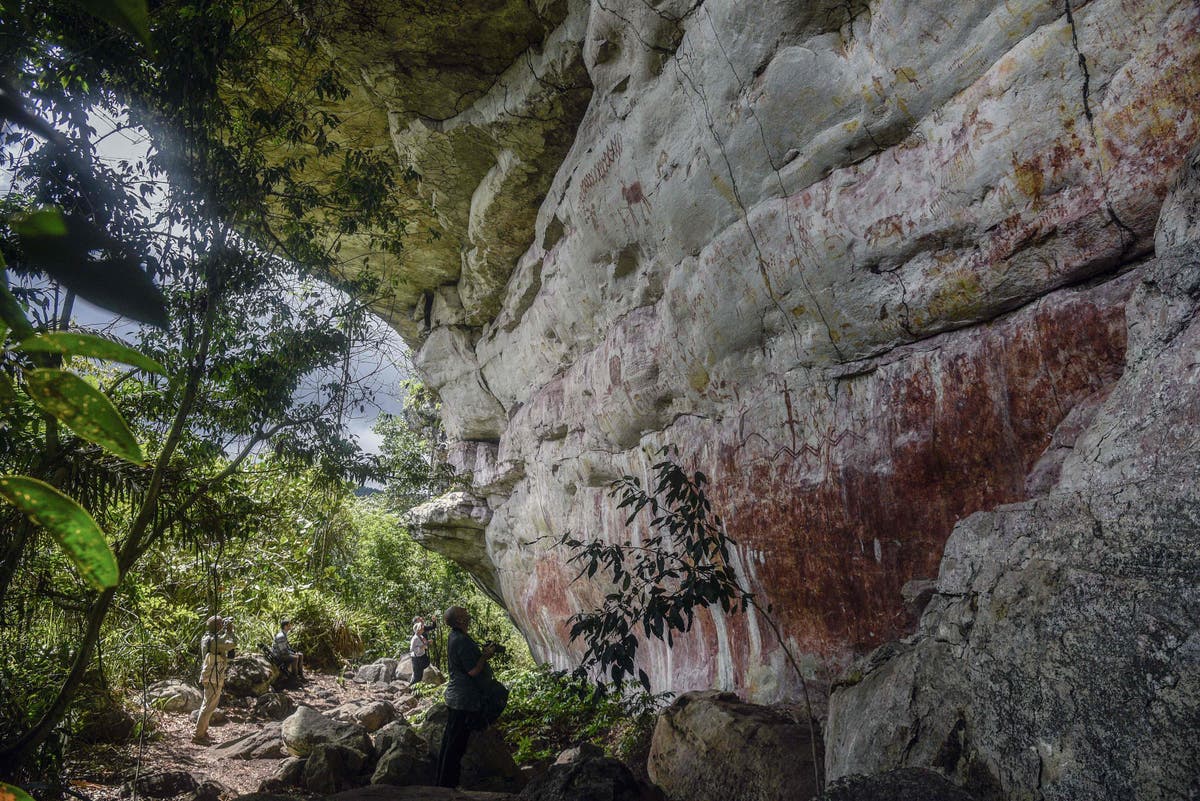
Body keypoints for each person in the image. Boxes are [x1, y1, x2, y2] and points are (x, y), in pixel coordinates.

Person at [435, 606, 499, 788]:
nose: (468, 616)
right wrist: (485, 656)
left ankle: (443, 783)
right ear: (460, 620)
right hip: (464, 700)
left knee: (450, 742)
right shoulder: (461, 640)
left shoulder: (454, 637)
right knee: (455, 746)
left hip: (458, 698)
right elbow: (473, 671)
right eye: (465, 614)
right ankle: (447, 786)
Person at [194, 615, 236, 743]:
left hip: (213, 675)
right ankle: (198, 735)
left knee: (210, 705)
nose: (222, 625)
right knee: (208, 705)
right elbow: (232, 644)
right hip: (213, 676)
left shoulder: (208, 637)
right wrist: (229, 631)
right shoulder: (214, 640)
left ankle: (203, 732)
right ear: (216, 626)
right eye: (220, 623)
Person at [410, 616, 430, 684]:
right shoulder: (415, 638)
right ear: (418, 629)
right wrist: (422, 647)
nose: (423, 629)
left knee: (420, 675)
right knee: (417, 676)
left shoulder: (421, 636)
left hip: (422, 656)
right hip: (416, 658)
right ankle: (411, 689)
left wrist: (427, 642)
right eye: (421, 628)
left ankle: (417, 691)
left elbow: (425, 645)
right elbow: (412, 649)